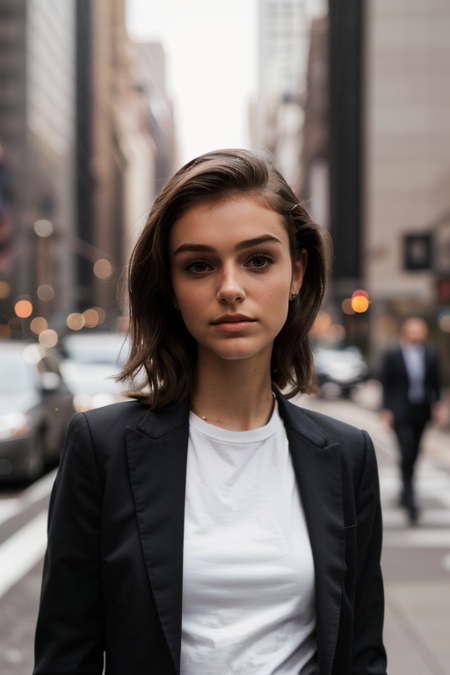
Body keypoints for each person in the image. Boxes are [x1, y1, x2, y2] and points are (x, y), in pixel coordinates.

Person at [33, 150, 387, 675]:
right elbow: (67, 656)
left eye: (258, 260)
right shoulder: (101, 447)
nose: (230, 288)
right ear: (172, 290)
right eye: (198, 265)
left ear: (297, 272)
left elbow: (360, 656)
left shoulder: (347, 455)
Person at [380, 317, 441, 524]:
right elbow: (386, 383)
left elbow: (435, 382)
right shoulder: (393, 354)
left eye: (419, 331)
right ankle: (409, 495)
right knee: (405, 449)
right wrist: (385, 409)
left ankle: (407, 482)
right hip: (399, 410)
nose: (416, 335)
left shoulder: (430, 354)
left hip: (421, 410)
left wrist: (437, 404)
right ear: (405, 332)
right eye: (412, 331)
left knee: (414, 451)